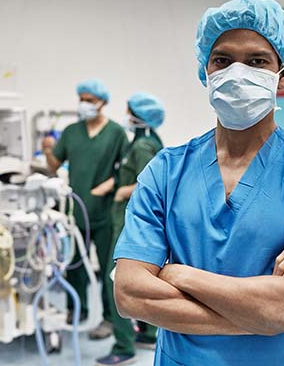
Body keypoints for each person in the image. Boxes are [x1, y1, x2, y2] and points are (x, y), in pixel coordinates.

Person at [113, 0, 284, 366]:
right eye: (223, 60)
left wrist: (180, 274)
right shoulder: (166, 171)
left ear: (282, 74)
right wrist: (262, 315)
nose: (237, 73)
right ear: (206, 71)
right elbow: (131, 296)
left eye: (257, 61)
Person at [42, 78, 128, 339]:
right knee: (74, 265)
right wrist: (47, 150)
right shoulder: (71, 132)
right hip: (74, 213)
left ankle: (109, 319)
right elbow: (53, 166)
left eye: (89, 100)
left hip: (103, 213)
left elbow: (125, 171)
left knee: (105, 269)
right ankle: (75, 310)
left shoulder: (116, 133)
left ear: (102, 102)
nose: (84, 104)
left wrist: (107, 186)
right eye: (82, 99)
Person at [95, 92, 165, 366]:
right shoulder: (143, 142)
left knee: (116, 281)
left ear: (140, 115)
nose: (126, 114)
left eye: (129, 110)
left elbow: (151, 184)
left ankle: (123, 346)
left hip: (127, 223)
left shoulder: (143, 146)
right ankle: (148, 333)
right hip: (131, 221)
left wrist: (123, 190)